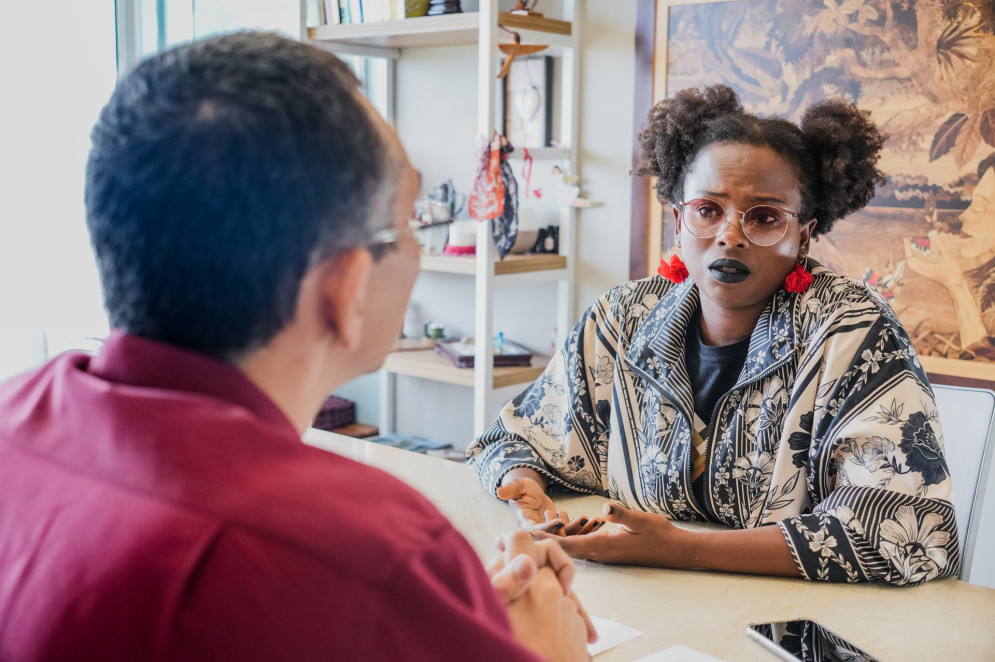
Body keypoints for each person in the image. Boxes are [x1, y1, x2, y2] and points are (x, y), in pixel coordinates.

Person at [0, 33, 595, 661]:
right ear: (346, 286)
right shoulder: (363, 550)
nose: (420, 245)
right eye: (411, 219)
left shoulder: (16, 415)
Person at [468, 84, 961, 586]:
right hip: (649, 608)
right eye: (708, 210)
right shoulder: (622, 318)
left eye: (765, 217)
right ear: (679, 221)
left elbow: (909, 533)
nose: (730, 234)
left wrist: (682, 550)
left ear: (805, 234)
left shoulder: (851, 332)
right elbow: (511, 438)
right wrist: (522, 484)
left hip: (801, 626)